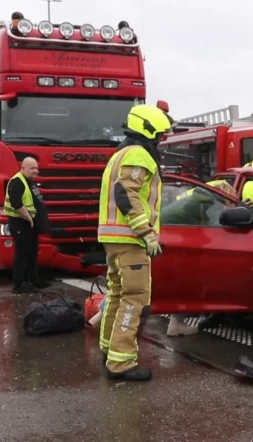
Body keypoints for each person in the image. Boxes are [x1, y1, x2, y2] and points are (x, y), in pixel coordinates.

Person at [97, 103, 174, 381]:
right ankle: (121, 363)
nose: (161, 141)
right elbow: (126, 194)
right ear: (149, 130)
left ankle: (109, 349)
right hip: (129, 240)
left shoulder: (121, 154)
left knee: (117, 295)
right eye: (160, 135)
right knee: (135, 300)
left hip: (113, 238)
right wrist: (146, 233)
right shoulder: (140, 155)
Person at [164, 179, 238, 337]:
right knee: (190, 278)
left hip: (160, 237)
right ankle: (176, 324)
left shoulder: (200, 198)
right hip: (164, 241)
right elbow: (220, 230)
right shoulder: (212, 203)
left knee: (127, 288)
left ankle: (97, 320)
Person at [4, 157, 50, 294]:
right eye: (32, 168)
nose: (35, 171)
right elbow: (16, 203)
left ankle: (34, 280)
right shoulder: (17, 182)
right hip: (20, 223)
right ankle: (19, 285)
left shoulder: (28, 182)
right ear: (23, 168)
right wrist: (28, 218)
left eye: (36, 168)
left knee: (32, 252)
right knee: (22, 254)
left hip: (28, 224)